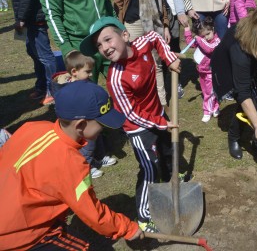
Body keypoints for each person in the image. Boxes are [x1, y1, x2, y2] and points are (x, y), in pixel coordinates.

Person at [0, 80, 142, 250]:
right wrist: (127, 228)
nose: (103, 129)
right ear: (81, 125)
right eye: (101, 124)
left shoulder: (32, 127)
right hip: (20, 234)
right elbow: (92, 211)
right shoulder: (71, 163)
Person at [80, 16, 181, 233]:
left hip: (156, 113)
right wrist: (162, 123)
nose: (104, 48)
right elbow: (133, 114)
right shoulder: (116, 79)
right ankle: (144, 216)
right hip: (137, 127)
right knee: (149, 168)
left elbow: (155, 37)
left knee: (166, 148)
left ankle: (171, 181)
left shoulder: (142, 45)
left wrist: (169, 57)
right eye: (99, 45)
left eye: (108, 39)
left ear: (125, 35)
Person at [212, 2, 257, 160]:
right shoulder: (239, 49)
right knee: (246, 100)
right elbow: (243, 93)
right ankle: (234, 136)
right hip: (230, 67)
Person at [113, 0, 170, 106]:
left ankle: (161, 103)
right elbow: (118, 4)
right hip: (133, 26)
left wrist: (165, 25)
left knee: (156, 63)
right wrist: (120, 28)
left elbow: (163, 4)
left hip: (156, 26)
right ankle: (138, 102)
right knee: (136, 65)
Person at [51, 51, 117, 179]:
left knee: (97, 137)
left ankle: (98, 158)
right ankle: (87, 166)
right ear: (74, 71)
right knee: (87, 146)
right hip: (82, 123)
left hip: (93, 119)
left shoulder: (86, 82)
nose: (91, 74)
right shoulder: (66, 90)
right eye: (87, 71)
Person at [184, 17, 221, 122]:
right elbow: (190, 43)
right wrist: (187, 29)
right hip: (201, 71)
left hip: (211, 72)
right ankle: (215, 107)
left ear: (213, 29)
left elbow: (209, 49)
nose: (206, 38)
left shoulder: (217, 41)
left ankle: (207, 111)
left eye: (208, 34)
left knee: (210, 92)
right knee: (207, 91)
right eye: (203, 36)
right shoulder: (202, 40)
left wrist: (199, 39)